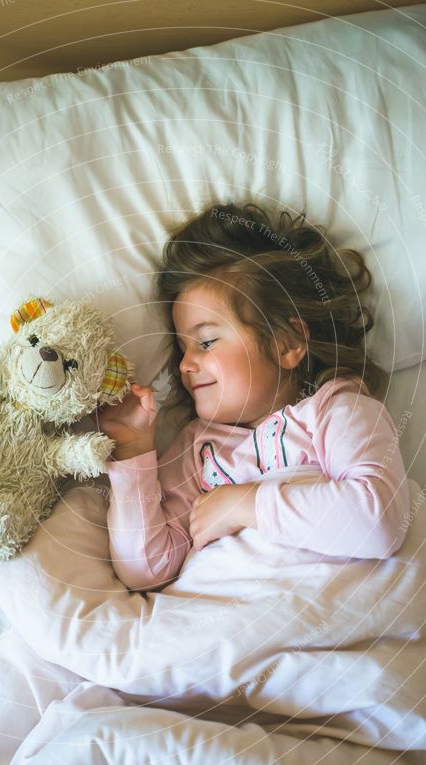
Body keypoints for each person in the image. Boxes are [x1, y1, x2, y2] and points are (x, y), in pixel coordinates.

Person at [98, 202, 410, 591]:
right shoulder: (199, 449)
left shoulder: (335, 411)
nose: (185, 365)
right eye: (182, 350)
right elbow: (145, 570)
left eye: (207, 341)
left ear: (287, 341)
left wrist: (243, 505)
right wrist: (133, 454)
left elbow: (378, 521)